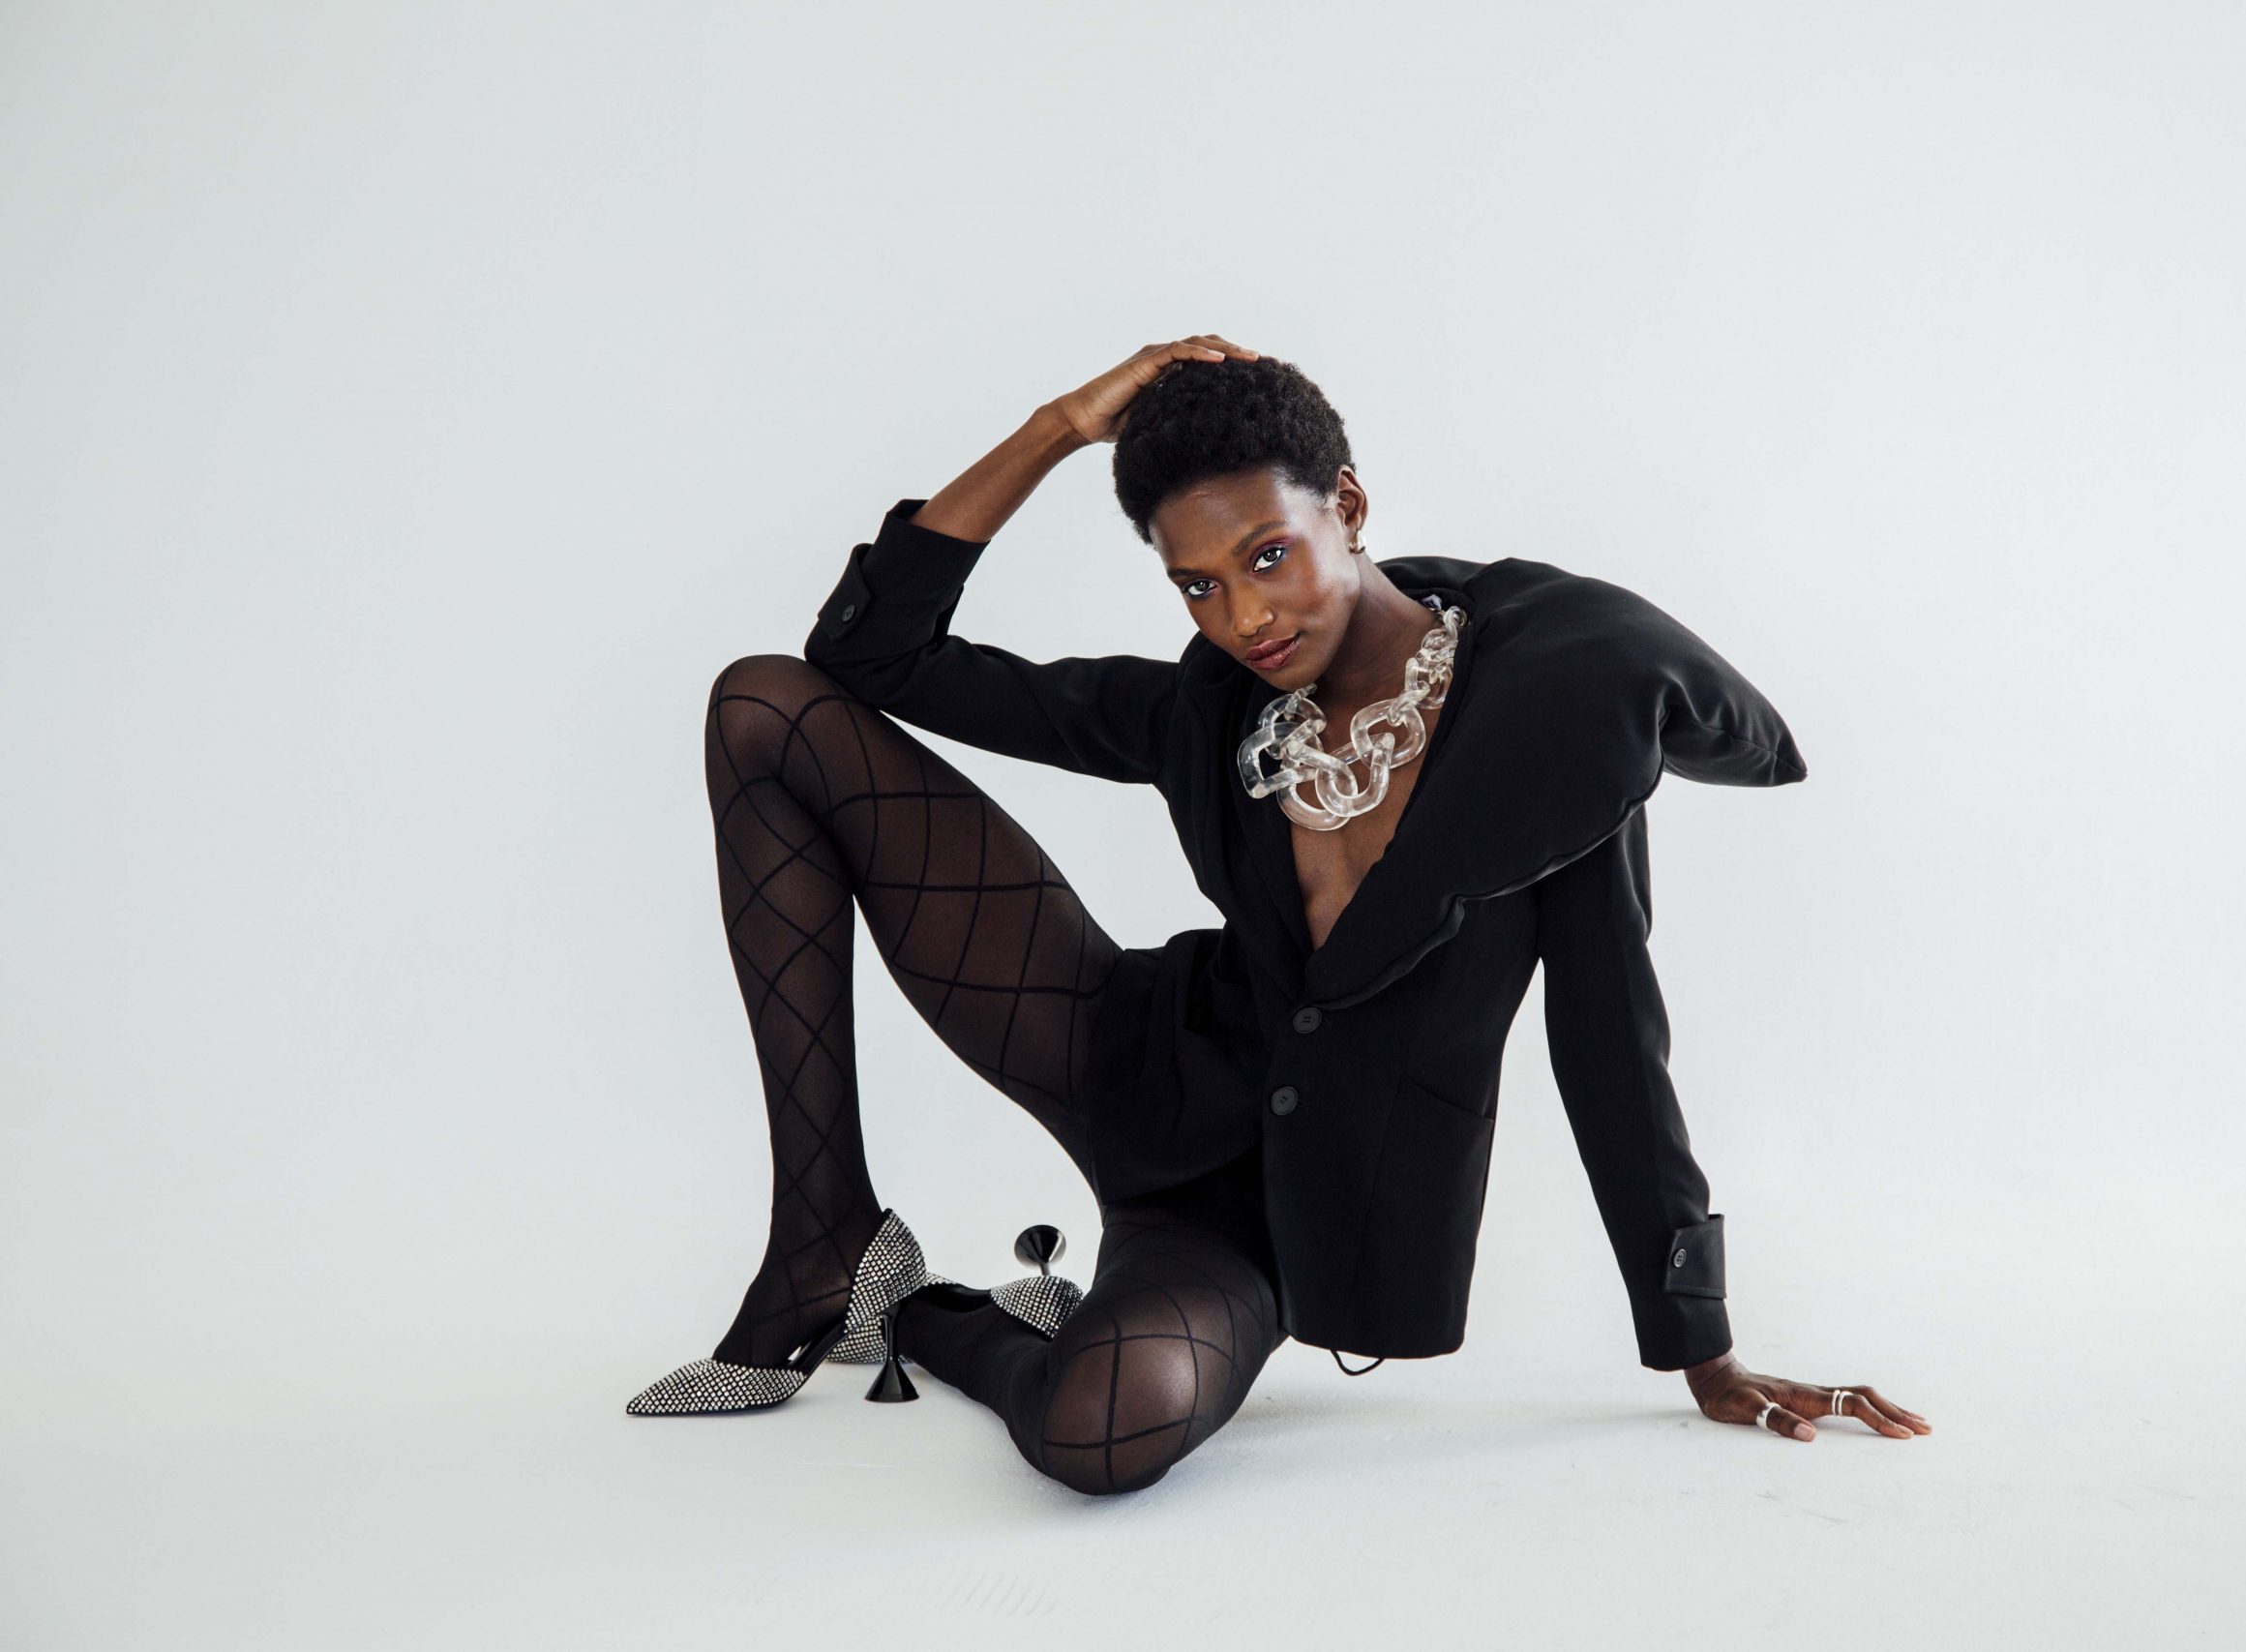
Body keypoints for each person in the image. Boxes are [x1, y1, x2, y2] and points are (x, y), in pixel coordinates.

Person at [623, 335, 1932, 1493]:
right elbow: (873, 658)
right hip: (1128, 1054)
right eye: (1196, 584)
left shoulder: (1547, 735)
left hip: (1264, 1218)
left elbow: (1612, 1047)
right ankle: (826, 1237)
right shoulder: (1209, 709)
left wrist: (1703, 1350)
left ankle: (921, 1314)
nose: (1244, 615)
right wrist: (1059, 428)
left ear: (1346, 508)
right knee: (767, 706)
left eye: (1267, 556)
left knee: (1101, 1428)